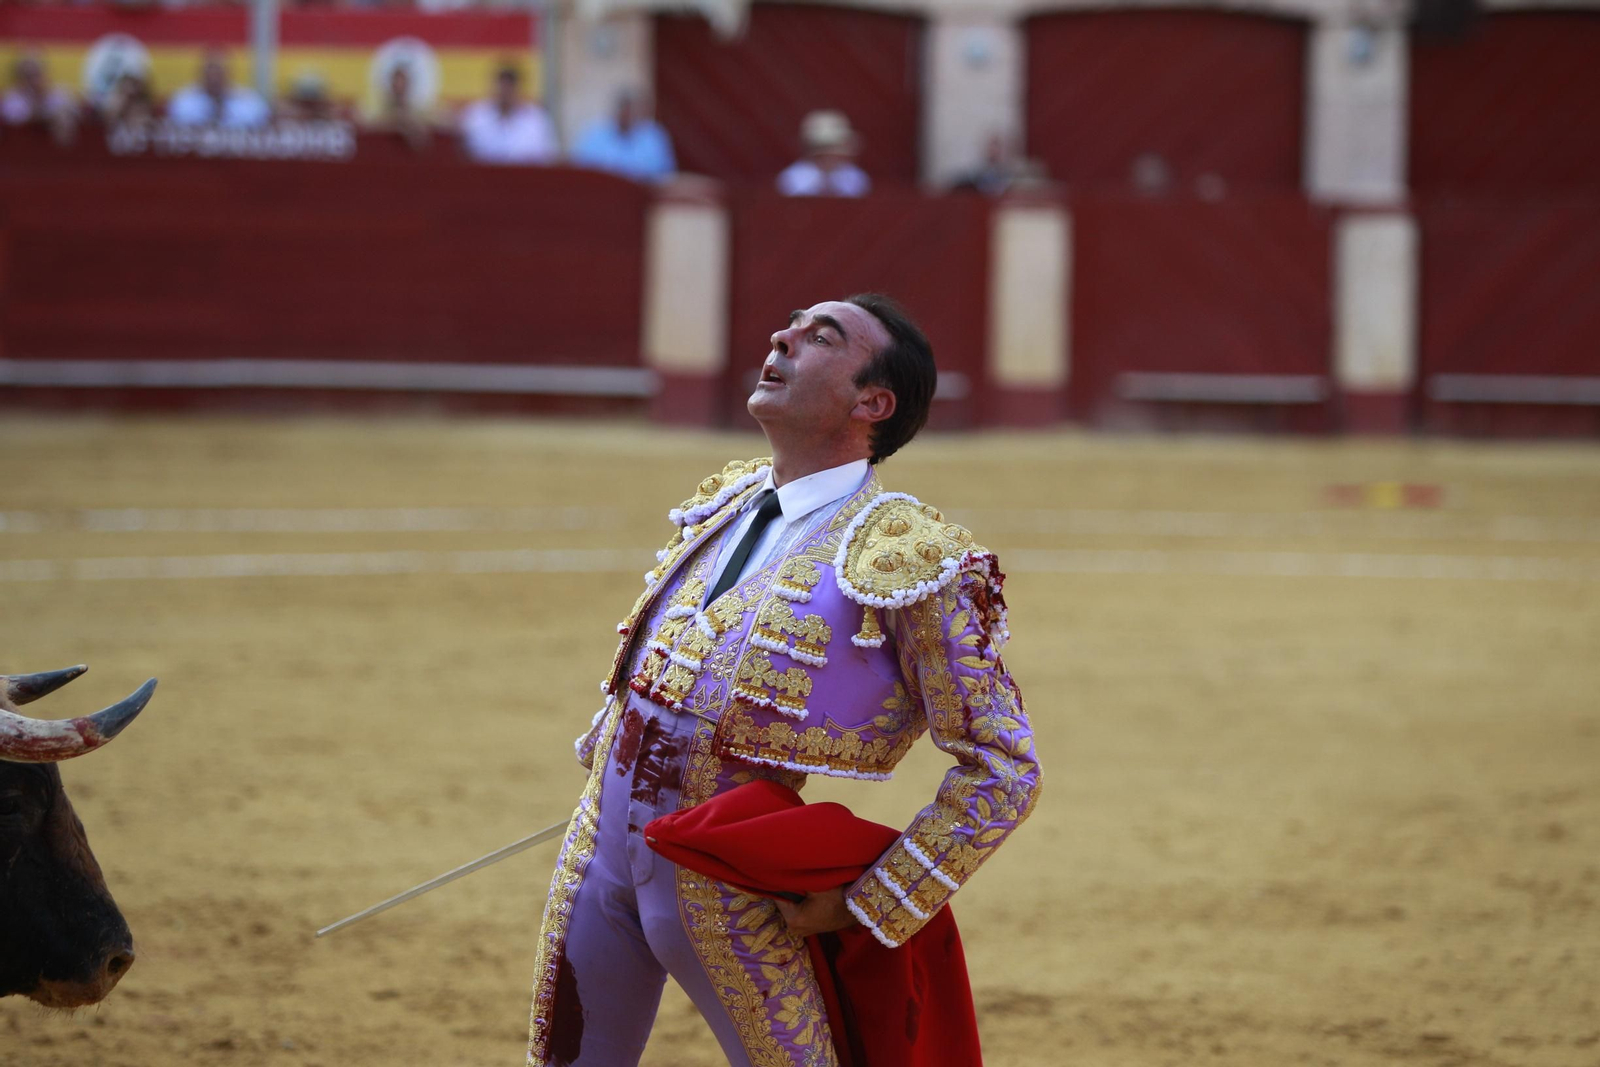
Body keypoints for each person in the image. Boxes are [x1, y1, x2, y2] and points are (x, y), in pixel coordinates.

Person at [526, 294, 1041, 1066]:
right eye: (792, 326)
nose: (782, 337)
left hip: (726, 889)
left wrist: (876, 899)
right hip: (595, 860)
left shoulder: (909, 556)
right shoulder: (725, 504)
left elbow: (1005, 766)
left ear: (872, 402)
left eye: (821, 337)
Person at [458, 63, 556, 166]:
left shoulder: (536, 119)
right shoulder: (476, 116)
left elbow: (548, 158)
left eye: (509, 87)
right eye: (502, 86)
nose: (505, 92)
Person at [571, 90, 675, 183]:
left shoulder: (653, 136)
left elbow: (665, 173)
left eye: (631, 110)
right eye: (624, 109)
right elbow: (580, 169)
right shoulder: (595, 134)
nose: (626, 114)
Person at [777, 110, 871, 197]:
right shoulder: (791, 178)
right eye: (823, 147)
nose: (829, 155)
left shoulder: (856, 177)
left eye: (834, 147)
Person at [167, 50, 271, 129]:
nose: (214, 78)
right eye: (210, 72)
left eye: (219, 72)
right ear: (201, 73)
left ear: (229, 73)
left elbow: (260, 126)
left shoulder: (250, 102)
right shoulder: (182, 101)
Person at [1, 54, 78, 143]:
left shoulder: (59, 92)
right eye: (27, 76)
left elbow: (75, 112)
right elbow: (16, 119)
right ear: (18, 77)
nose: (32, 80)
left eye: (36, 74)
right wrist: (37, 102)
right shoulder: (11, 98)